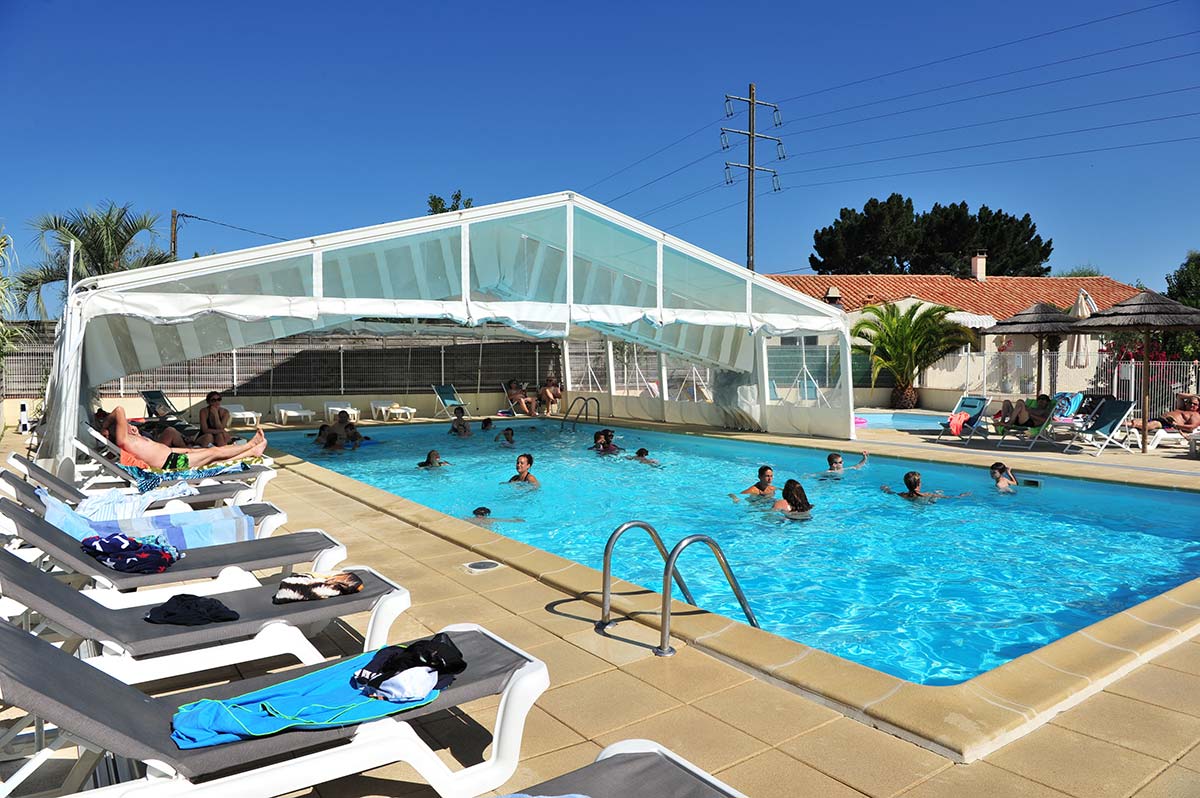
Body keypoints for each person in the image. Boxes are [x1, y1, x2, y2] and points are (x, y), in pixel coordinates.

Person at [100, 406, 266, 470]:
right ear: (119, 430)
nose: (130, 425)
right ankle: (251, 445)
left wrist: (186, 449)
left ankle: (252, 452)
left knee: (211, 454)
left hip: (172, 455)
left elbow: (164, 449)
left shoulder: (133, 438)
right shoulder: (125, 441)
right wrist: (105, 427)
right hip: (170, 463)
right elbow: (120, 410)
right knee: (214, 453)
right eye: (126, 425)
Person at [882, 471, 969, 502]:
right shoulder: (928, 495)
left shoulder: (901, 495)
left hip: (912, 503)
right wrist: (961, 495)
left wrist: (885, 488)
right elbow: (950, 497)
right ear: (919, 483)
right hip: (923, 504)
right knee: (937, 494)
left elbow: (890, 492)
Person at [1128, 396, 1200, 433]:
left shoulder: (1195, 415)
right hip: (1161, 420)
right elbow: (1179, 396)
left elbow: (1191, 427)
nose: (1192, 405)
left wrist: (1176, 425)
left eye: (1195, 404)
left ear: (1198, 406)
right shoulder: (1182, 408)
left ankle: (1132, 425)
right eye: (1190, 402)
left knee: (1152, 424)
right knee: (1137, 420)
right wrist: (1195, 396)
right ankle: (1119, 423)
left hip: (1168, 424)